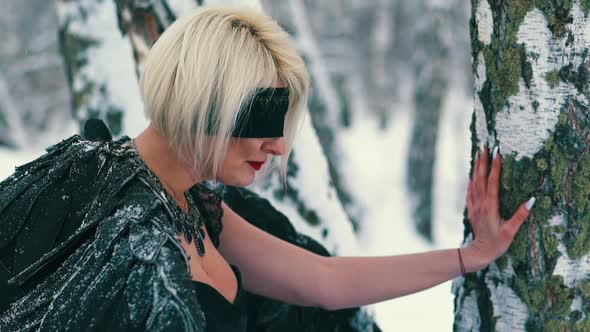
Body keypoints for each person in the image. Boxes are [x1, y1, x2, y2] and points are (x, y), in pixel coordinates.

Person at [0, 5, 535, 332]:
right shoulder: (95, 196)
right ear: (206, 100)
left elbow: (321, 283)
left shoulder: (191, 205)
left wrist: (470, 256)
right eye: (262, 118)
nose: (277, 146)